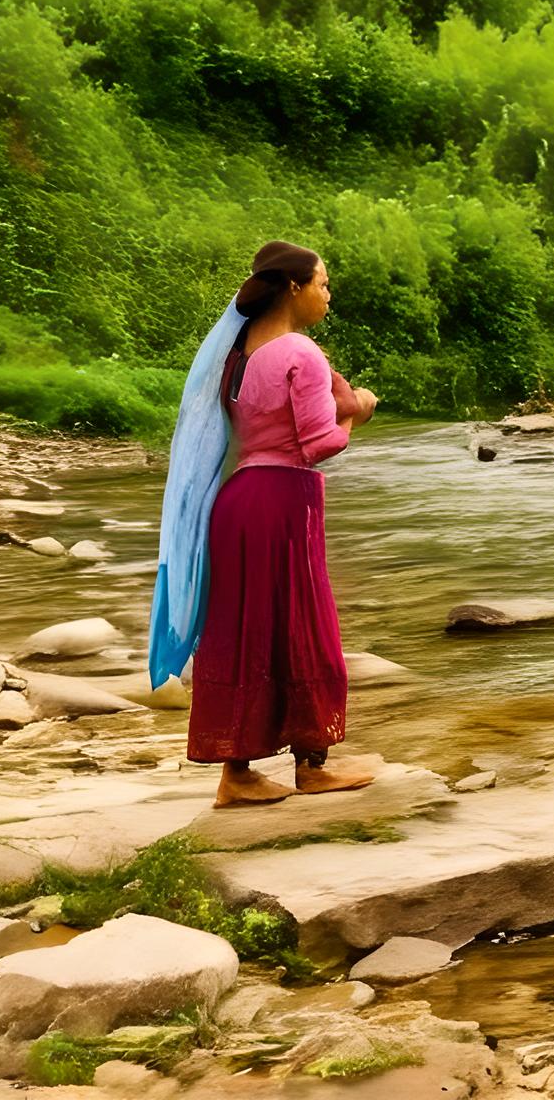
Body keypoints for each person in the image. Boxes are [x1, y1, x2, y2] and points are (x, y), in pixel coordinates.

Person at [151, 241, 377, 807]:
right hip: (282, 499)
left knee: (242, 631)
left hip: (239, 501)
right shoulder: (299, 350)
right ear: (295, 287)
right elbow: (319, 443)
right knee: (304, 627)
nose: (329, 294)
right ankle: (311, 766)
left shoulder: (239, 353)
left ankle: (237, 772)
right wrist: (360, 410)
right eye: (323, 283)